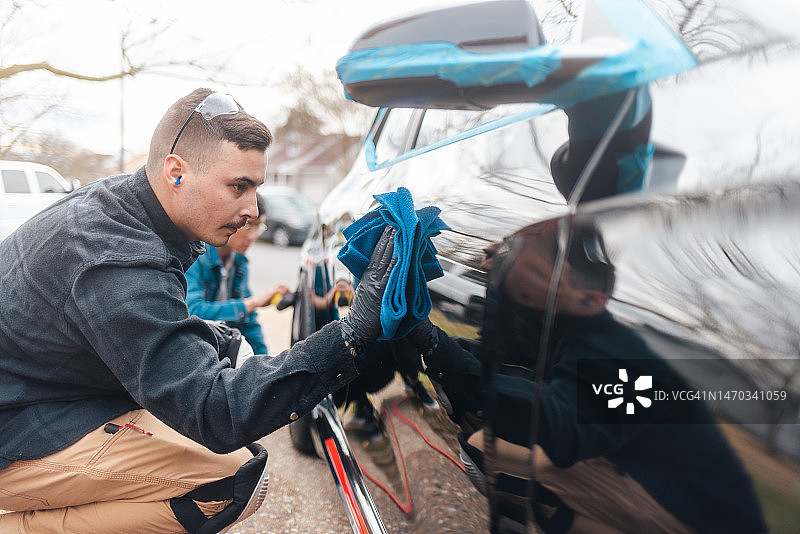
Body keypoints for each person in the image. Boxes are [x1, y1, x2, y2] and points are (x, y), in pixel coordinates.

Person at [0, 88, 396, 534]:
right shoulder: (116, 258)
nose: (251, 211)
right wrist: (350, 334)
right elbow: (214, 411)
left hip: (35, 390)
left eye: (256, 188)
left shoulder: (120, 208)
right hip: (15, 425)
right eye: (238, 187)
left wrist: (217, 340)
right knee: (232, 477)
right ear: (176, 172)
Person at [406, 220, 766, 533]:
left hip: (700, 515)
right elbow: (509, 353)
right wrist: (443, 344)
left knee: (499, 447)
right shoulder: (571, 324)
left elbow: (556, 421)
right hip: (654, 476)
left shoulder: (615, 353)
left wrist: (437, 348)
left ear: (589, 296)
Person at [185, 191, 290, 357]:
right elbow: (192, 311)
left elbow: (250, 323)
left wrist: (267, 364)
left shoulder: (239, 262)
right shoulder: (196, 255)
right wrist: (251, 304)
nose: (253, 236)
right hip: (193, 351)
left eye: (259, 227)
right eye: (248, 225)